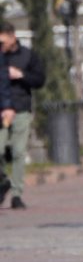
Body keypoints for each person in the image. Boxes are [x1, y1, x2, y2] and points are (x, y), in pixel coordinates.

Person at [0, 22, 43, 210]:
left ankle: (17, 194)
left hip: (21, 109)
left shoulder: (27, 55)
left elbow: (39, 79)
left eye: (3, 41)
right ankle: (3, 183)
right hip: (1, 110)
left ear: (12, 37)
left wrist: (21, 75)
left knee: (18, 152)